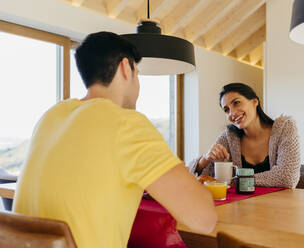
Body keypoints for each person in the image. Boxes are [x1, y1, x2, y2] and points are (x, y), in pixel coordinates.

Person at [13, 31, 216, 248]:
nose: (138, 86)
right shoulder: (126, 124)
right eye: (137, 74)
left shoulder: (50, 117)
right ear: (125, 68)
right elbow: (205, 219)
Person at [190, 83, 300, 188]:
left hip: (280, 204)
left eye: (236, 103)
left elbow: (287, 177)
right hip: (242, 205)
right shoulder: (229, 137)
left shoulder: (285, 127)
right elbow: (196, 177)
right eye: (226, 110)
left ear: (254, 101)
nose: (232, 113)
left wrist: (236, 180)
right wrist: (204, 159)